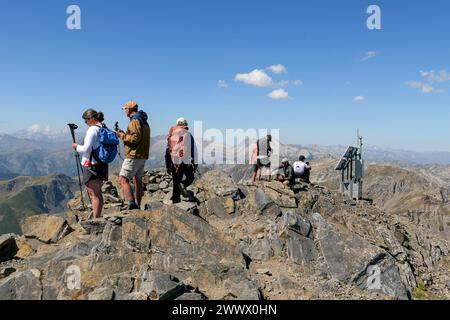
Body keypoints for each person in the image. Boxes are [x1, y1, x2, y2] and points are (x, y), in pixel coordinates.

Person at [72, 109, 108, 219]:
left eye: (86, 121)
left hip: (91, 165)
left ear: (91, 119)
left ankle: (96, 220)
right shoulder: (103, 128)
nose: (86, 123)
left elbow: (86, 148)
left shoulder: (92, 130)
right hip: (101, 163)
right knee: (98, 193)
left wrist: (76, 147)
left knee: (93, 194)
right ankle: (97, 216)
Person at [115, 100, 151, 210]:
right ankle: (138, 205)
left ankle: (132, 205)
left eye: (125, 109)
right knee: (137, 181)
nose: (124, 111)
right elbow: (138, 136)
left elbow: (135, 138)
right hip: (142, 155)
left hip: (134, 155)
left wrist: (121, 135)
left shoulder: (135, 121)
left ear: (129, 109)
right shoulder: (143, 121)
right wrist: (123, 133)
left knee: (123, 179)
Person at [165, 118, 198, 204]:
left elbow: (168, 151)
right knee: (190, 177)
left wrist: (168, 165)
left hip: (174, 162)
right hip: (185, 161)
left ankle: (175, 201)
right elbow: (193, 149)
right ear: (185, 124)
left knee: (176, 182)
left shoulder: (172, 135)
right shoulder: (188, 135)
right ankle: (183, 185)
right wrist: (195, 162)